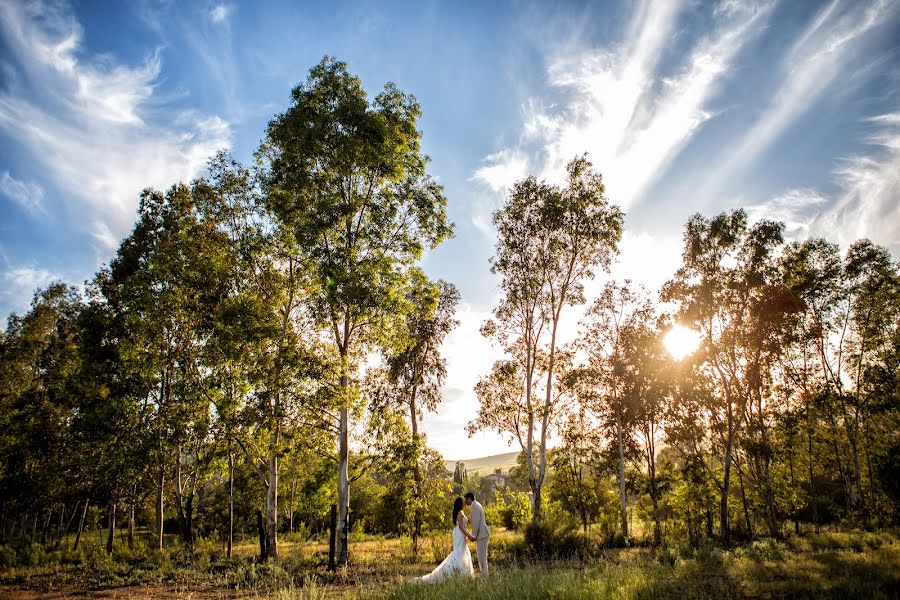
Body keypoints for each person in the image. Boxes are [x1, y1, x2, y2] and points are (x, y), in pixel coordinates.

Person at [412, 497, 475, 583]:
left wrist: (469, 535)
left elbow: (464, 527)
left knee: (461, 551)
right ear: (460, 504)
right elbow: (460, 526)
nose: (464, 502)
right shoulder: (460, 513)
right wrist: (468, 535)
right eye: (463, 501)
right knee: (459, 551)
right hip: (459, 534)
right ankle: (457, 571)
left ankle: (462, 572)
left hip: (461, 533)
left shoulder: (461, 512)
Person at [465, 491, 490, 578]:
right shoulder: (476, 505)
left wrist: (473, 536)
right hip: (483, 533)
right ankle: (485, 575)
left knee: (481, 556)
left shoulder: (475, 507)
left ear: (469, 498)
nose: (465, 501)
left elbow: (476, 522)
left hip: (481, 534)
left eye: (466, 499)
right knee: (482, 555)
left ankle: (485, 577)